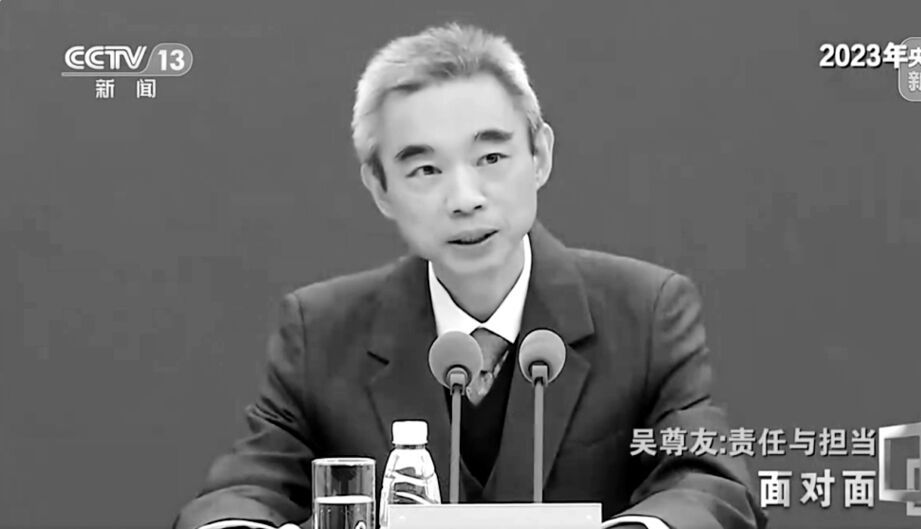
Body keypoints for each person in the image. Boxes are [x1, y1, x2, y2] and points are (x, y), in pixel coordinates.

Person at [173, 22, 767, 529]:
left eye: (491, 158)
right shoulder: (322, 331)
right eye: (425, 169)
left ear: (540, 155)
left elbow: (710, 483)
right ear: (380, 188)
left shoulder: (647, 311)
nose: (464, 198)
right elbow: (243, 490)